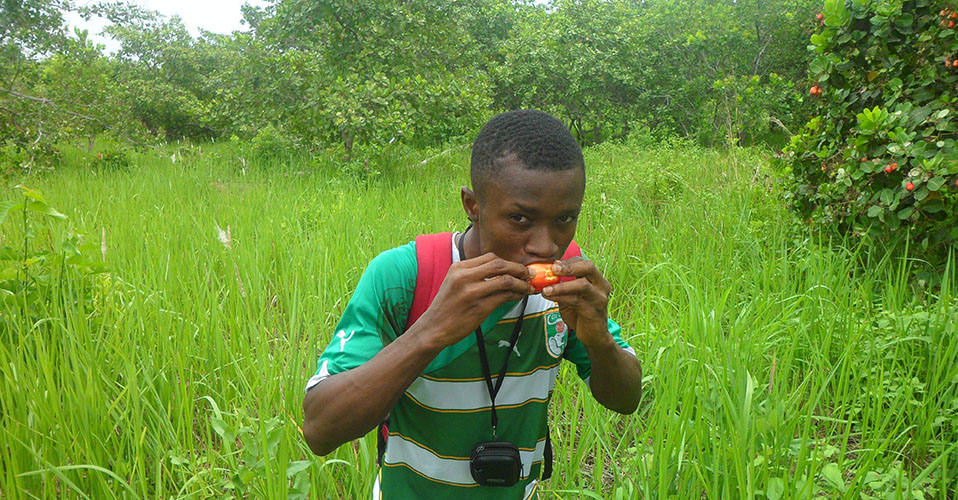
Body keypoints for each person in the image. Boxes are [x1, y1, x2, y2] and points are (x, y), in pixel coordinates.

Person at [302, 109, 642, 499]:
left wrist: (599, 339)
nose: (546, 245)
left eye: (565, 218)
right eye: (519, 218)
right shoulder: (403, 277)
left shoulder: (569, 285)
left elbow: (627, 399)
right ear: (472, 204)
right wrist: (432, 329)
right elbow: (320, 429)